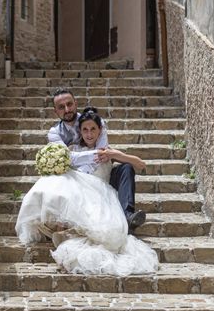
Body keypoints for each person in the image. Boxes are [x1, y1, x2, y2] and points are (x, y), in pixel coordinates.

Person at [15, 108, 159, 276]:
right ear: (80, 131)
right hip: (81, 191)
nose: (89, 134)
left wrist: (115, 154)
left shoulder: (107, 151)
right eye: (85, 129)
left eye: (93, 129)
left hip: (102, 192)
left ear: (100, 131)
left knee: (126, 168)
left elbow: (141, 164)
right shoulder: (72, 149)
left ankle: (127, 215)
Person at [48, 88, 146, 230]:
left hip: (101, 174)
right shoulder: (54, 133)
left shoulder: (96, 120)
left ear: (76, 104)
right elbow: (68, 158)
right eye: (61, 107)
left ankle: (128, 216)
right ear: (55, 111)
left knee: (126, 168)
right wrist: (81, 172)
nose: (67, 109)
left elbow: (101, 153)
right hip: (76, 177)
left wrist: (108, 155)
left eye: (70, 104)